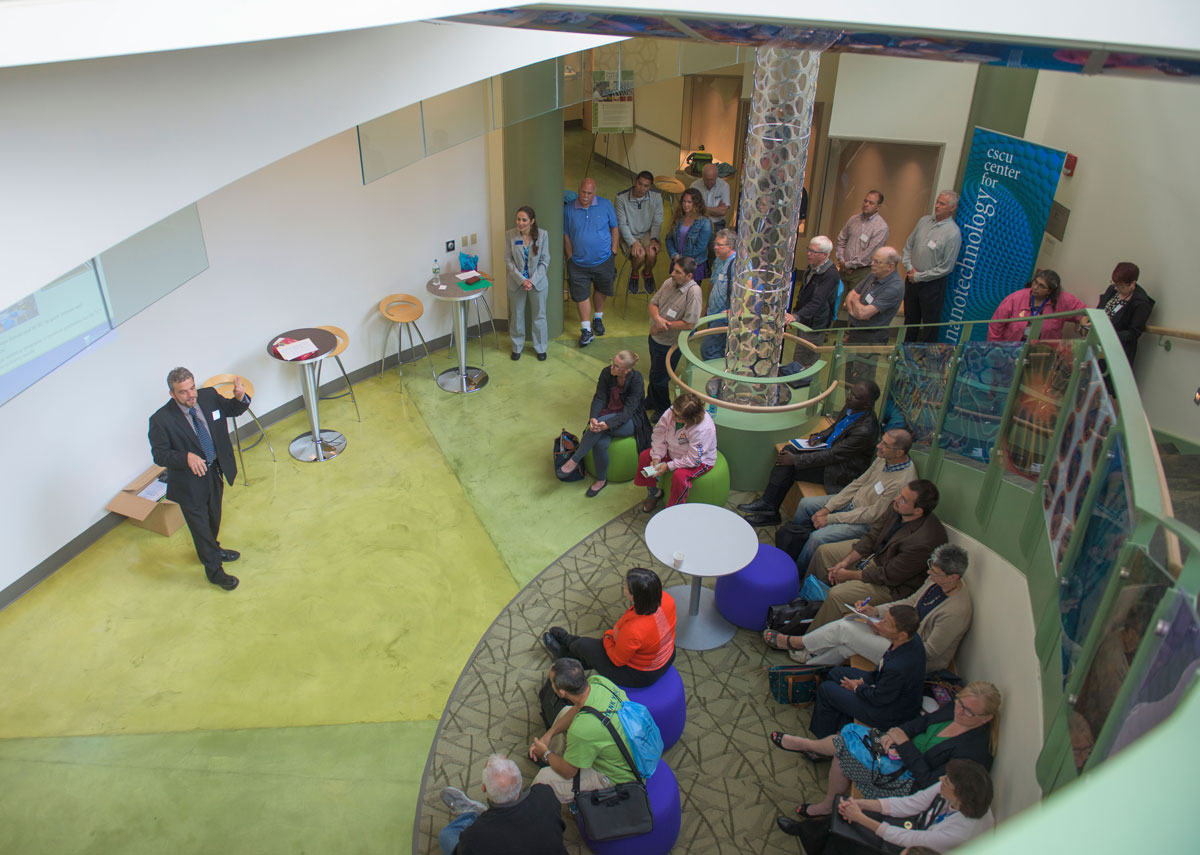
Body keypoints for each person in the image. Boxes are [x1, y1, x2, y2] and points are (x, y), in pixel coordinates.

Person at [775, 682, 1000, 817]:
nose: (960, 711)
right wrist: (895, 734)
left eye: (969, 712)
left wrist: (904, 745)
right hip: (900, 754)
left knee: (844, 750)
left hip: (909, 783)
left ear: (985, 719)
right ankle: (810, 750)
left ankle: (808, 753)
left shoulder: (973, 752)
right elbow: (920, 723)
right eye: (960, 703)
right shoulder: (955, 708)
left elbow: (930, 782)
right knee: (851, 732)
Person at [766, 543, 972, 674]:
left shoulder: (955, 611)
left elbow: (928, 653)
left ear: (953, 577)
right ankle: (810, 668)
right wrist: (875, 612)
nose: (929, 573)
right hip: (899, 634)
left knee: (847, 632)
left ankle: (796, 642)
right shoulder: (936, 582)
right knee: (850, 628)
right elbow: (909, 602)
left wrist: (888, 632)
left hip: (910, 659)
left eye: (934, 572)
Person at [148, 367, 250, 591]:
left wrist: (240, 399)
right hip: (189, 483)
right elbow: (159, 455)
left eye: (192, 388)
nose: (190, 395)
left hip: (215, 471)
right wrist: (185, 457)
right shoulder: (161, 420)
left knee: (214, 518)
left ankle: (213, 549)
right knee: (201, 527)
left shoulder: (209, 396)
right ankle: (214, 571)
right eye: (183, 392)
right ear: (172, 394)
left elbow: (231, 409)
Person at [806, 480, 948, 631]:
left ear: (918, 511)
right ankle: (807, 606)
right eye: (900, 493)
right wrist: (845, 562)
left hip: (891, 586)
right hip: (876, 556)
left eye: (903, 499)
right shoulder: (897, 508)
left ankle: (809, 644)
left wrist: (847, 574)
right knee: (824, 552)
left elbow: (888, 575)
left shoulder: (922, 542)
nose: (897, 498)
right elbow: (872, 536)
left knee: (837, 595)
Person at [737, 381, 882, 527]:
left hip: (838, 471)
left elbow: (832, 455)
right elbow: (835, 428)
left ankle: (769, 508)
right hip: (827, 452)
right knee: (788, 450)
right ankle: (768, 505)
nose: (849, 397)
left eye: (855, 396)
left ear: (867, 404)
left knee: (790, 465)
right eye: (850, 392)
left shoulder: (865, 431)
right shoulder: (852, 407)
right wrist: (820, 436)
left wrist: (796, 460)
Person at [773, 428, 916, 576]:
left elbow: (872, 515)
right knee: (805, 504)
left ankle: (796, 573)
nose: (878, 446)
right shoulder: (884, 458)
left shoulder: (901, 483)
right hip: (851, 502)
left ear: (899, 452)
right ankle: (793, 545)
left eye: (885, 444)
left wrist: (830, 518)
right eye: (881, 440)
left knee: (817, 538)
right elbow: (858, 483)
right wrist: (828, 508)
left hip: (864, 523)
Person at [777, 759, 995, 853]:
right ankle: (808, 832)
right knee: (845, 817)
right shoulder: (949, 791)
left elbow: (909, 840)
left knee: (850, 836)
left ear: (961, 795)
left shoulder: (960, 832)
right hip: (916, 826)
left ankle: (811, 835)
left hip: (920, 849)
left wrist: (862, 818)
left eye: (947, 781)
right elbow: (911, 803)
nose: (940, 781)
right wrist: (861, 804)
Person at [541, 567, 676, 688]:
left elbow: (617, 660)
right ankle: (570, 656)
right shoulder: (667, 599)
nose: (623, 586)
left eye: (626, 586)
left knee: (585, 645)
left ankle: (565, 647)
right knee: (595, 652)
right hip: (665, 656)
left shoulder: (635, 630)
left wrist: (607, 637)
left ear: (635, 595)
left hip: (640, 674)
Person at [529, 658, 639, 804]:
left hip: (619, 776)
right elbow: (578, 708)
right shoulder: (598, 682)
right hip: (630, 744)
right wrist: (548, 735)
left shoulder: (582, 729)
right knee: (565, 712)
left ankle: (548, 760)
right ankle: (551, 759)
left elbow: (569, 772)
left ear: (561, 692)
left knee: (544, 780)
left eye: (552, 682)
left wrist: (545, 753)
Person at [806, 606, 926, 739]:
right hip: (884, 688)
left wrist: (857, 688)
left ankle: (823, 743)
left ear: (902, 635)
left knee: (826, 690)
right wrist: (863, 681)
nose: (879, 623)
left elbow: (878, 698)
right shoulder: (909, 640)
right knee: (836, 673)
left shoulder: (899, 666)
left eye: (886, 623)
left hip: (888, 713)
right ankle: (839, 725)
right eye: (884, 619)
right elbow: (880, 672)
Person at [556, 350, 652, 497]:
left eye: (616, 366)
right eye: (612, 363)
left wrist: (606, 424)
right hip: (606, 415)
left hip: (631, 420)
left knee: (598, 429)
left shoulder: (636, 379)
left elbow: (628, 412)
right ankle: (601, 480)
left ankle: (575, 459)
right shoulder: (607, 373)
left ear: (626, 370)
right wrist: (593, 418)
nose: (611, 367)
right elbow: (599, 397)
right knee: (600, 444)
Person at [438, 754, 566, 855]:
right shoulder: (545, 794)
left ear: (483, 789)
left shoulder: (474, 838)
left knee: (447, 835)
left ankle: (474, 814)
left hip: (482, 833)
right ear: (520, 781)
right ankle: (480, 814)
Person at [635, 391, 717, 513]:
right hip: (673, 450)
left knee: (680, 477)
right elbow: (659, 433)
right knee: (645, 456)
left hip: (700, 460)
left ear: (690, 419)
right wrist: (657, 456)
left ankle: (673, 510)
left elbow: (694, 459)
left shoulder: (703, 429)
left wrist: (669, 466)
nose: (672, 417)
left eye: (678, 417)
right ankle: (654, 493)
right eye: (673, 411)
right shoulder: (673, 411)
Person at [564, 178, 619, 347]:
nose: (585, 196)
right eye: (582, 192)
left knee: (602, 289)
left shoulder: (606, 205)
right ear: (578, 190)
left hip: (603, 259)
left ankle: (598, 318)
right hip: (578, 262)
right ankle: (586, 329)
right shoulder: (568, 209)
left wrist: (614, 250)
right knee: (581, 295)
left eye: (589, 193)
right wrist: (570, 256)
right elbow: (566, 234)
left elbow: (614, 227)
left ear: (594, 192)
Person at [646, 257, 704, 416]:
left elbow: (689, 324)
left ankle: (662, 408)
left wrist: (662, 327)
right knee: (654, 372)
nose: (673, 274)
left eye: (678, 272)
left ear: (689, 276)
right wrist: (657, 320)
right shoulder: (668, 283)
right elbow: (653, 304)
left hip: (670, 343)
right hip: (655, 338)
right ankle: (651, 400)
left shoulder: (694, 292)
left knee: (660, 378)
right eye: (674, 269)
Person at [902, 191, 962, 343]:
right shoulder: (923, 221)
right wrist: (909, 268)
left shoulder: (953, 233)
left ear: (952, 208)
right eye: (937, 202)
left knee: (930, 325)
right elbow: (908, 246)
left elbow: (947, 266)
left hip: (932, 285)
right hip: (911, 279)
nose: (937, 206)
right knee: (909, 321)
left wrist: (919, 276)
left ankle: (926, 360)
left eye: (942, 204)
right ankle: (903, 353)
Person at [844, 248, 905, 385]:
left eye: (877, 262)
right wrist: (856, 305)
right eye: (873, 260)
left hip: (871, 338)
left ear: (890, 266)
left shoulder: (894, 287)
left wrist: (855, 303)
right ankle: (850, 404)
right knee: (848, 375)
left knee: (863, 378)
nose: (872, 264)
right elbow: (850, 295)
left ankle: (861, 406)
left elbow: (864, 313)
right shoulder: (873, 275)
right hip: (855, 333)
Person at [1078, 261, 1154, 369]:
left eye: (1121, 287)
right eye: (1115, 284)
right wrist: (1089, 321)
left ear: (1133, 284)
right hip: (1097, 343)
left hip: (1116, 350)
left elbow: (1133, 333)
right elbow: (1100, 310)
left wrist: (1107, 334)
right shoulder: (1113, 290)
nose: (1117, 288)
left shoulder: (1140, 303)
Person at [987, 269, 1087, 342]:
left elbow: (1084, 312)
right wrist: (996, 349)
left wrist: (1082, 320)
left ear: (1050, 291)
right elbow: (995, 326)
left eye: (1041, 286)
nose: (1035, 287)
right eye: (1035, 282)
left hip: (1041, 353)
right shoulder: (1016, 298)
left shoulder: (1063, 300)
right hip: (1011, 349)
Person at [504, 205, 550, 361]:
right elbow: (508, 261)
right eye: (518, 219)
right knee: (516, 315)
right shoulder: (510, 235)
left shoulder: (543, 235)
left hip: (538, 282)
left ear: (532, 221)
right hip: (516, 283)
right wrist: (522, 280)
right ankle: (517, 347)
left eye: (524, 220)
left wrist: (533, 281)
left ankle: (540, 347)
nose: (520, 223)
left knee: (539, 316)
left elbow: (545, 261)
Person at [787, 235, 841, 359]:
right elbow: (803, 294)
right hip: (805, 320)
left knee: (806, 358)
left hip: (815, 325)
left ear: (825, 254)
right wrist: (796, 312)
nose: (809, 254)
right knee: (799, 354)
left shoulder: (830, 274)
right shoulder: (812, 268)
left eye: (813, 252)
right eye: (809, 250)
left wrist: (797, 316)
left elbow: (818, 302)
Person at [615, 170, 664, 295]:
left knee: (652, 253)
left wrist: (654, 239)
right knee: (640, 255)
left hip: (647, 233)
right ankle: (635, 274)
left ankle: (647, 273)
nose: (642, 188)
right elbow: (622, 224)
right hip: (630, 234)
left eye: (646, 186)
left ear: (650, 186)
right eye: (640, 184)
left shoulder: (656, 197)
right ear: (635, 182)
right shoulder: (621, 198)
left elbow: (657, 222)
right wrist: (633, 242)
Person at [835, 190, 890, 295]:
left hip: (861, 272)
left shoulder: (881, 227)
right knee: (834, 304)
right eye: (865, 201)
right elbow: (841, 240)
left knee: (855, 307)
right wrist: (842, 261)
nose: (866, 204)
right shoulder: (853, 220)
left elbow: (869, 254)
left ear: (878, 207)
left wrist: (848, 265)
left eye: (871, 203)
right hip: (843, 269)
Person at [699, 229, 737, 361]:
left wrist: (733, 310)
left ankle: (716, 379)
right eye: (715, 244)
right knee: (714, 349)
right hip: (713, 313)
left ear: (730, 247)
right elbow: (712, 283)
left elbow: (743, 292)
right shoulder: (719, 260)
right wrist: (707, 306)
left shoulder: (736, 264)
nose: (715, 247)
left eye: (719, 245)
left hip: (723, 317)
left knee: (709, 350)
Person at [664, 188, 712, 282]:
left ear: (696, 203)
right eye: (684, 201)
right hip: (677, 260)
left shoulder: (704, 223)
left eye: (689, 202)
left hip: (694, 265)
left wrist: (681, 258)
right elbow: (668, 238)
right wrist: (674, 255)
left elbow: (699, 248)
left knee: (691, 294)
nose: (686, 205)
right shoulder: (678, 218)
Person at [690, 163, 731, 229]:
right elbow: (691, 208)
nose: (709, 183)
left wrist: (702, 209)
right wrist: (716, 210)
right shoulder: (694, 186)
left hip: (717, 223)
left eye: (711, 180)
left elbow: (723, 211)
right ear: (702, 176)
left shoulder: (724, 186)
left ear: (716, 176)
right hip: (698, 222)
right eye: (706, 180)